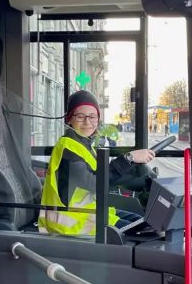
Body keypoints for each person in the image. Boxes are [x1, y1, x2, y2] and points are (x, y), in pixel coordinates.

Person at [39, 90, 155, 236]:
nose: (87, 122)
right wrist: (128, 159)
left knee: (142, 222)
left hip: (87, 213)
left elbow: (102, 176)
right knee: (143, 232)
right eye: (80, 116)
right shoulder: (67, 148)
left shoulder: (84, 145)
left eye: (92, 116)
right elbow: (95, 183)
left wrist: (134, 173)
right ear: (69, 119)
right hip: (69, 221)